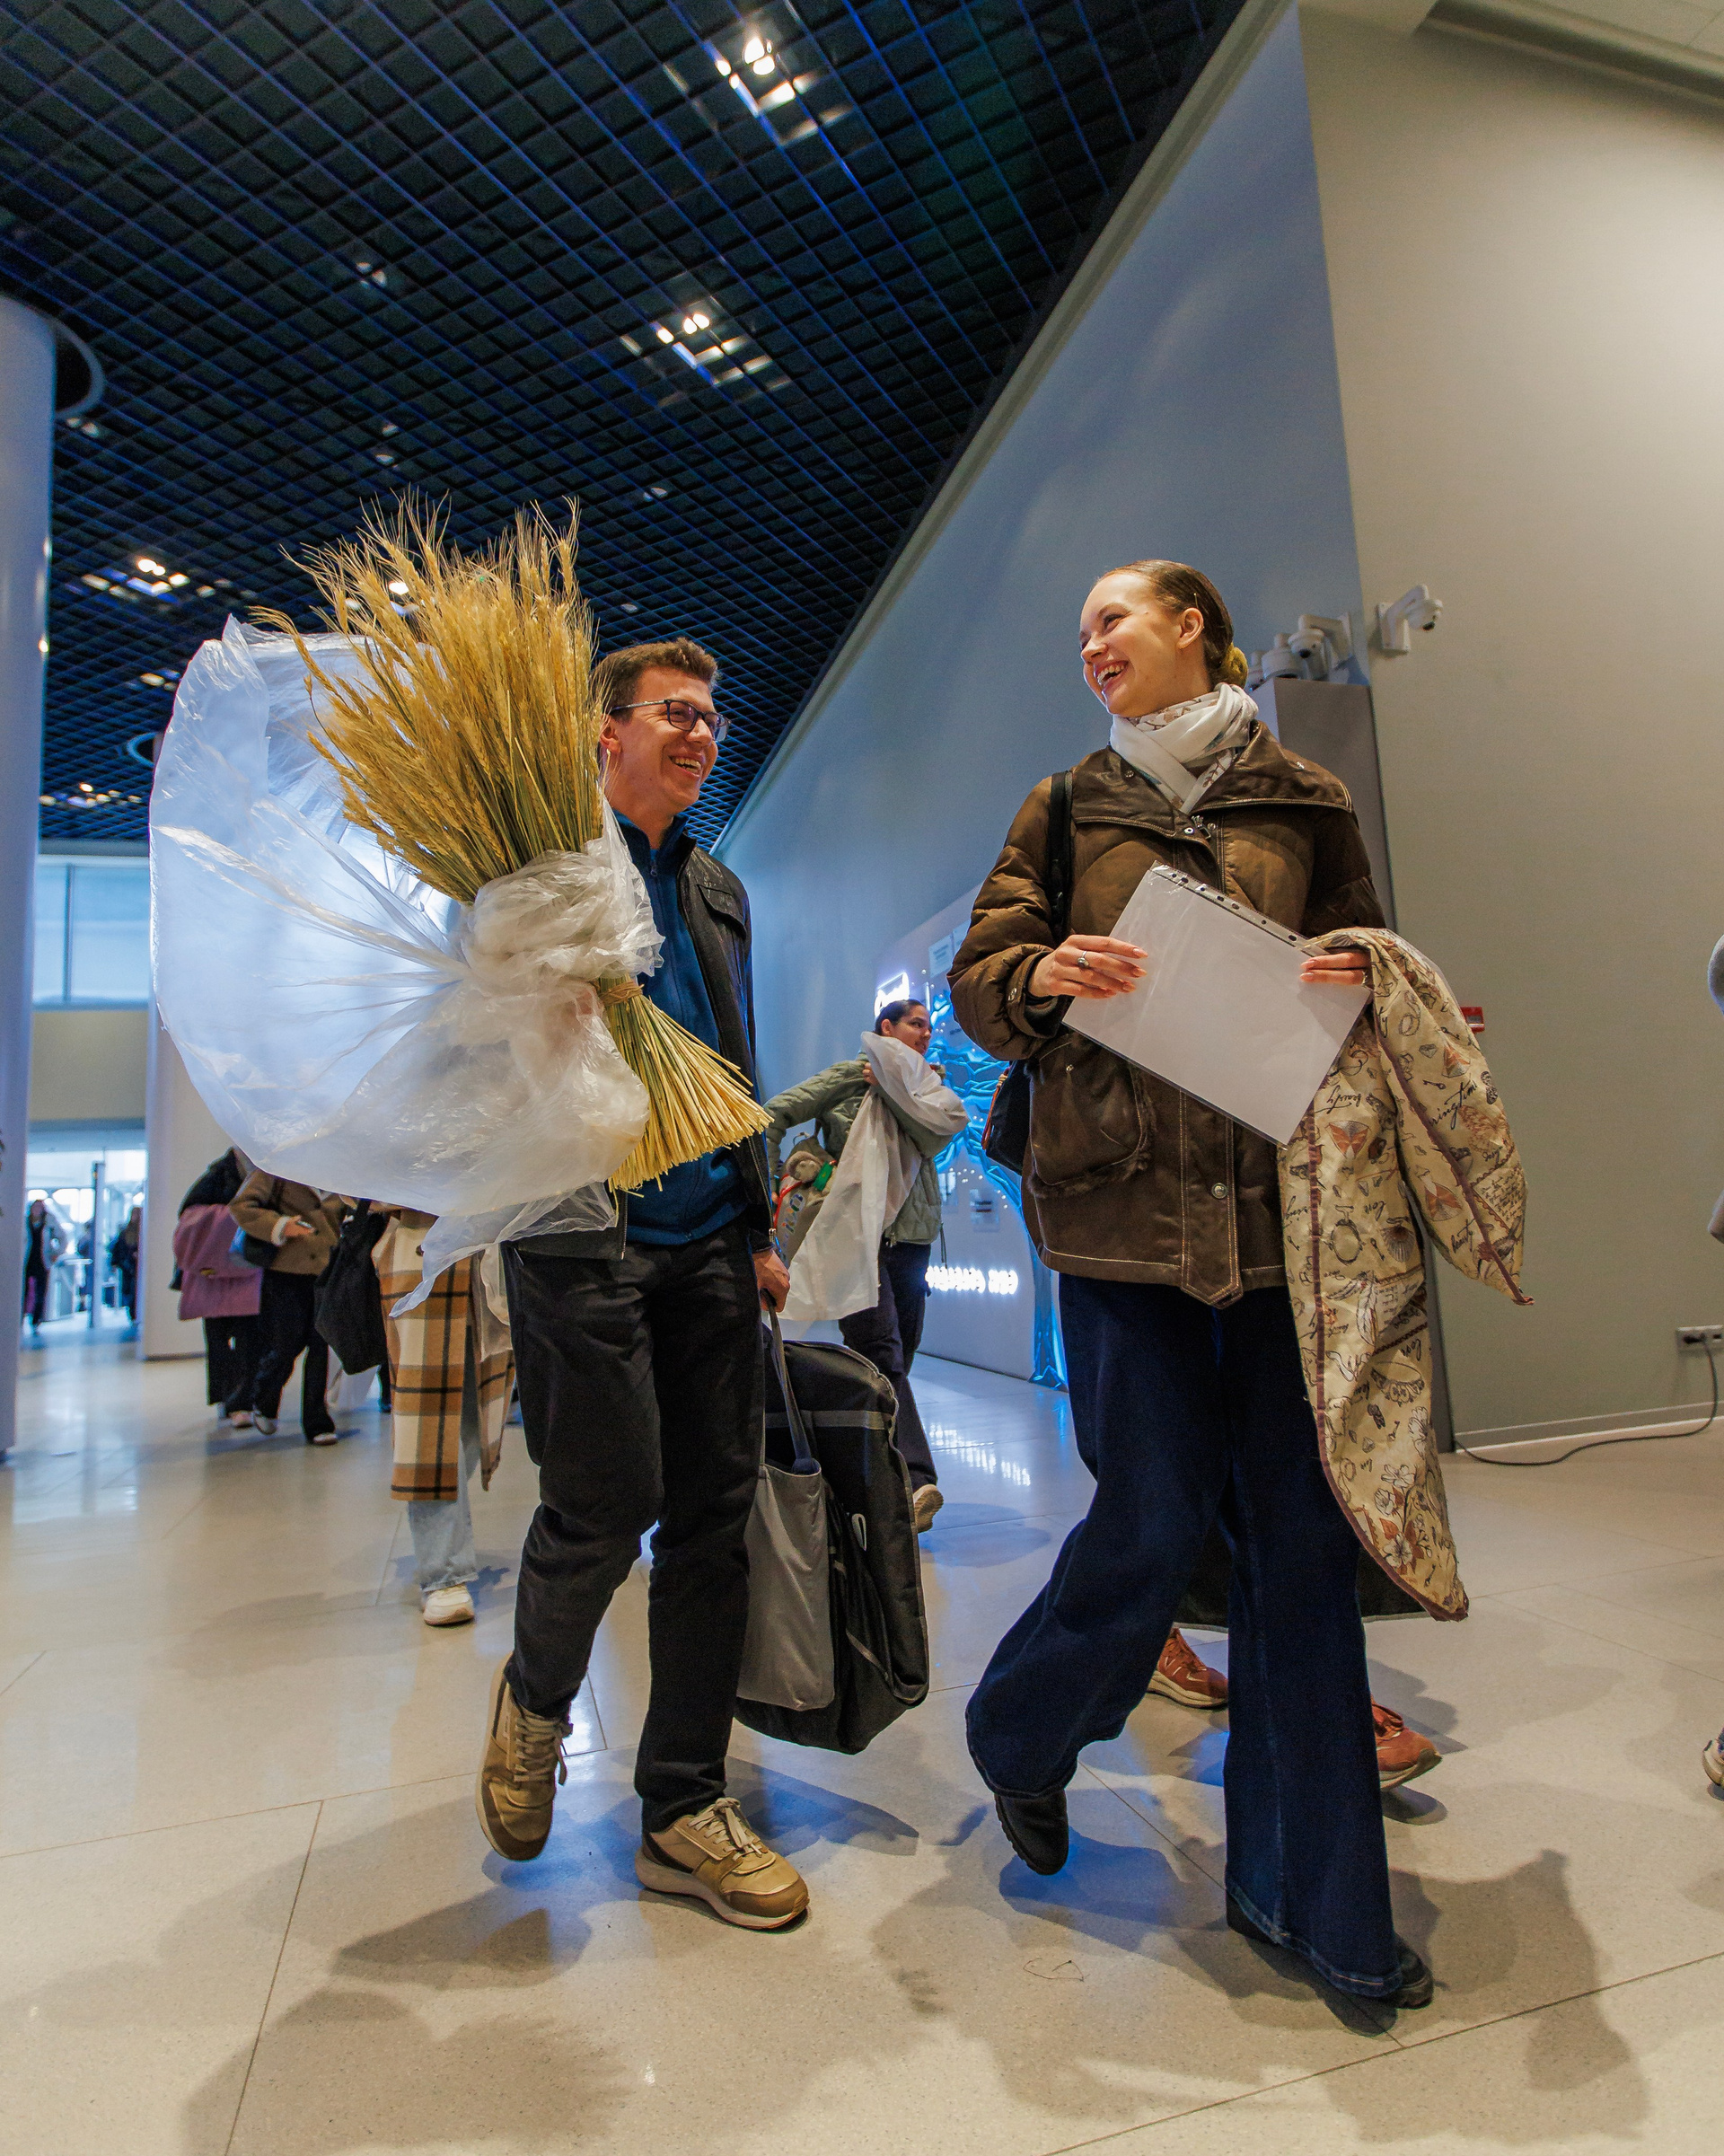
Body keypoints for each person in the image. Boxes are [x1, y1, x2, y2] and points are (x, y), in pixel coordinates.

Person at [951, 558, 1433, 2011]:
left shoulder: (1307, 798)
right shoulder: (1064, 804)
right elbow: (986, 974)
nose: (1091, 641)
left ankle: (1325, 1910)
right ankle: (1022, 1732)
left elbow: (1370, 956)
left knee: (1300, 1551)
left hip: (1284, 1221)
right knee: (1151, 1517)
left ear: (1191, 627)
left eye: (1112, 617)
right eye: (1080, 628)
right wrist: (1043, 976)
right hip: (1118, 1221)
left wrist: (1357, 971)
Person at [475, 635, 807, 1932]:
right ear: (605, 733)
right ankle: (535, 1703)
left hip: (711, 1232)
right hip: (581, 1231)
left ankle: (683, 1802)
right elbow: (476, 1040)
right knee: (605, 1502)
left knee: (714, 1518)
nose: (702, 733)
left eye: (712, 717)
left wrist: (760, 1218)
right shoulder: (539, 867)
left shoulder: (717, 886)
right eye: (676, 711)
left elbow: (737, 1052)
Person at [762, 997, 956, 1531]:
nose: (926, 1034)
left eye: (929, 1026)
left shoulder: (929, 1089)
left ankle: (859, 1477)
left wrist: (895, 1090)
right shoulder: (850, 1077)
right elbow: (772, 1115)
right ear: (886, 1028)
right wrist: (772, 1184)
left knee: (895, 1365)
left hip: (912, 1240)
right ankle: (914, 1482)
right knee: (881, 1352)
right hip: (857, 1239)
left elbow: (935, 1137)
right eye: (916, 1023)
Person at [374, 1209, 515, 1627]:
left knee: (475, 1421)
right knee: (428, 1428)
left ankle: (441, 1533)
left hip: (492, 1255)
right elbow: (352, 1183)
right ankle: (443, 1573)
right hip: (422, 1254)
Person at [228, 1172, 346, 1444]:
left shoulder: (339, 1165)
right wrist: (279, 1225)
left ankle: (317, 1421)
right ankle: (265, 1397)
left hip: (327, 1269)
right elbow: (241, 1205)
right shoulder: (276, 1165)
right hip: (286, 1270)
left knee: (321, 1346)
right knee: (285, 1344)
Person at [175, 1147, 263, 1425]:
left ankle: (238, 1399)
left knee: (242, 1341)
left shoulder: (222, 1177)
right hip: (231, 1272)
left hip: (222, 1275)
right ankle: (234, 1399)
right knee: (228, 1342)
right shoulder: (218, 1177)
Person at [22, 1198, 65, 1335]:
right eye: (34, 1207)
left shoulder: (49, 1223)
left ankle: (36, 1321)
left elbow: (62, 1237)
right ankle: (20, 1319)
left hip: (42, 1261)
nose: (37, 1210)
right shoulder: (24, 1222)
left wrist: (56, 1253)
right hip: (26, 1261)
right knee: (22, 1292)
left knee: (40, 1292)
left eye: (39, 1208)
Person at [108, 1202, 142, 1323]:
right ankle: (133, 1314)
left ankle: (135, 1314)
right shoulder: (126, 1232)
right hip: (129, 1267)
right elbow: (118, 1249)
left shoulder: (141, 1232)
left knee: (134, 1291)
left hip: (132, 1267)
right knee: (130, 1291)